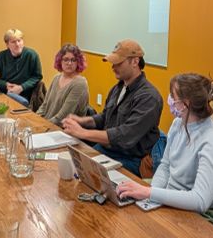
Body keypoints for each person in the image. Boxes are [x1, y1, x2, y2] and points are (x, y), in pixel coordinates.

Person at [115, 72, 213, 227]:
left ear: (186, 104)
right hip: (176, 194)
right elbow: (165, 165)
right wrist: (151, 197)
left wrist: (149, 193)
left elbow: (200, 200)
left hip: (208, 211)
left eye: (173, 96)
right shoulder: (178, 124)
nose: (169, 99)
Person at [61, 39, 162, 176]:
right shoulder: (118, 88)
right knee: (68, 163)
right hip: (107, 151)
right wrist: (82, 120)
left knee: (79, 174)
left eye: (118, 63)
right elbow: (105, 117)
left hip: (129, 160)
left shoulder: (149, 97)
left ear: (135, 62)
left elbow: (124, 136)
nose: (113, 67)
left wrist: (82, 133)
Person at [0, 28, 42, 104]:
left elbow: (37, 76)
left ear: (23, 42)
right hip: (5, 93)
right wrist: (5, 85)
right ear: (7, 44)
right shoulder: (1, 56)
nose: (17, 44)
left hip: (25, 94)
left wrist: (21, 87)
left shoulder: (32, 55)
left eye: (19, 40)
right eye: (13, 42)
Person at [37, 43, 89, 125]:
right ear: (60, 61)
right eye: (66, 59)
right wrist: (35, 119)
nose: (69, 63)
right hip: (48, 124)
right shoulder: (56, 78)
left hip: (64, 130)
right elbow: (44, 105)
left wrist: (42, 126)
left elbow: (62, 117)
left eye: (73, 60)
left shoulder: (80, 83)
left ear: (78, 62)